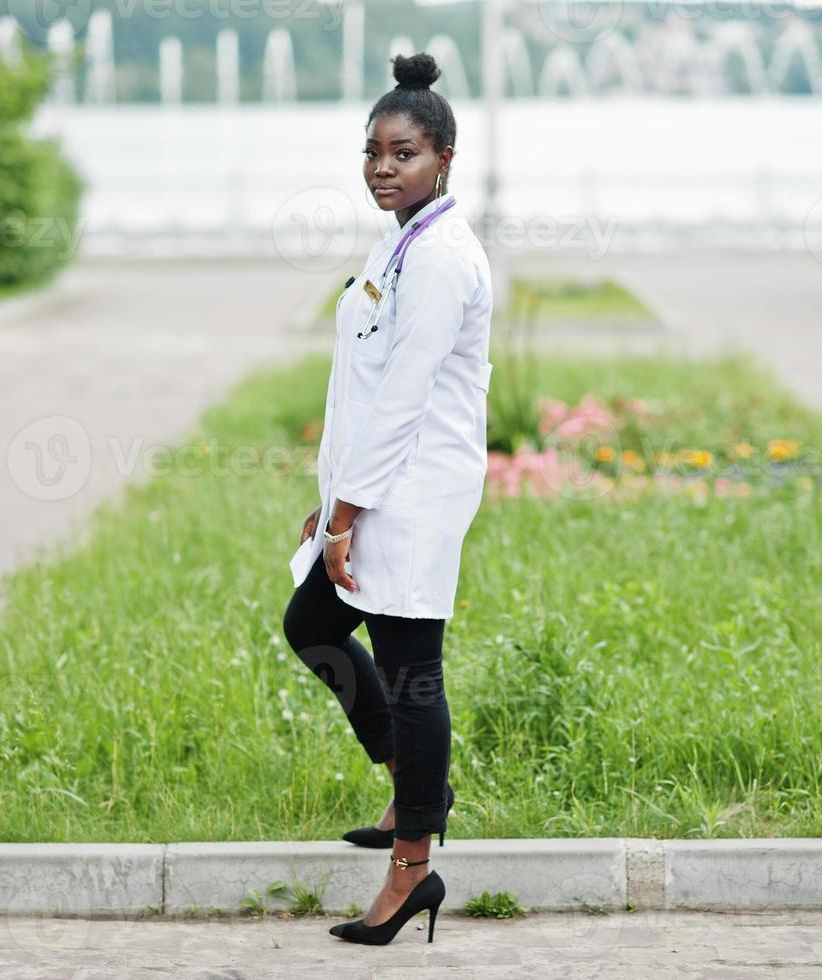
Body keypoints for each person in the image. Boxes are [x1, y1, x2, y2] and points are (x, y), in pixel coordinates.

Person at [281, 50, 494, 946]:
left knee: (411, 673)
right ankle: (418, 785)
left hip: (411, 495)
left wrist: (348, 513)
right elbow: (360, 386)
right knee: (313, 629)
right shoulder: (397, 238)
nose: (381, 167)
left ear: (443, 156)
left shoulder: (442, 256)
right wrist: (330, 496)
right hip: (373, 490)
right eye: (371, 151)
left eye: (402, 152)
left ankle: (412, 866)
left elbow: (405, 395)